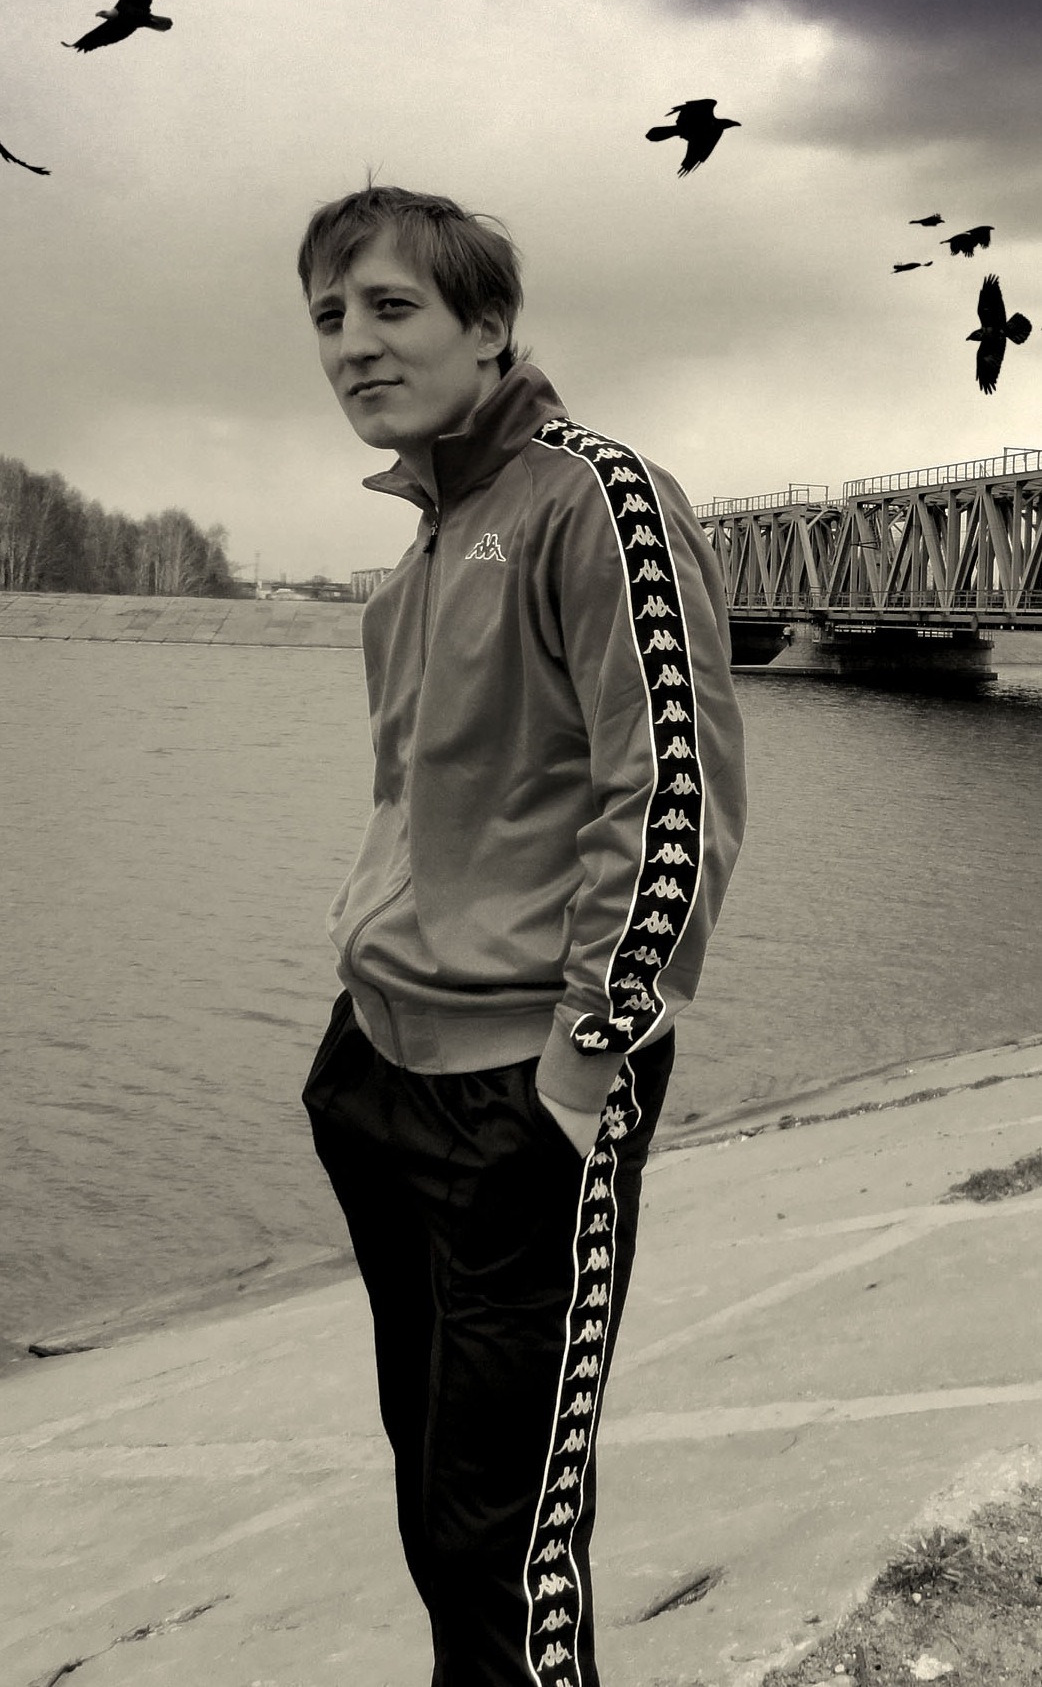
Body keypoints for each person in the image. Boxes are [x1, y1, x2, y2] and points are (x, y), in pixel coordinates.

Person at [298, 183, 746, 1687]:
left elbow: (669, 791)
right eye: (329, 317)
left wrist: (584, 1064)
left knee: (509, 1548)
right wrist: (355, 1034)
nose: (353, 346)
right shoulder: (422, 552)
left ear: (489, 327)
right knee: (438, 1511)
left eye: (391, 307)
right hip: (379, 1073)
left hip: (523, 1097)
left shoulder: (595, 498)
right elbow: (425, 813)